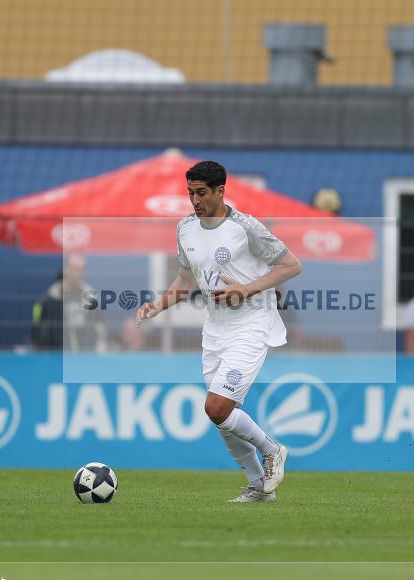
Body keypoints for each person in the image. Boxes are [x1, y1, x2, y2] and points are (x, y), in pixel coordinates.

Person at [137, 160, 302, 502]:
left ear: (220, 191)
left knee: (216, 407)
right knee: (221, 415)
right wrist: (158, 306)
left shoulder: (245, 227)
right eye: (189, 193)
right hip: (216, 329)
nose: (194, 201)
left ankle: (272, 451)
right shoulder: (184, 229)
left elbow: (291, 266)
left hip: (252, 323)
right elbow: (186, 279)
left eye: (201, 193)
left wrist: (248, 289)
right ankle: (259, 487)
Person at [31, 253, 107, 352]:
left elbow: (100, 329)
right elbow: (38, 332)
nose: (77, 273)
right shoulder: (48, 301)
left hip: (85, 358)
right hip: (57, 359)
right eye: (74, 268)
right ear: (65, 269)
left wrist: (98, 354)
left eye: (81, 269)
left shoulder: (91, 299)